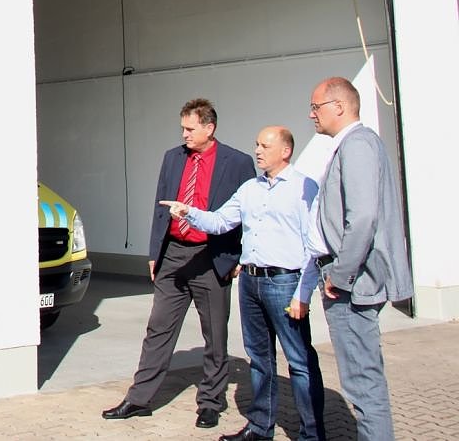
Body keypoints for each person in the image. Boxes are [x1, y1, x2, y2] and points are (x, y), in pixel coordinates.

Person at [162, 127, 325, 441]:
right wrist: (188, 212)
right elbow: (221, 221)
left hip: (284, 282)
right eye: (257, 144)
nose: (258, 151)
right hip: (250, 282)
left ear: (286, 151)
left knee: (300, 362)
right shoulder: (250, 188)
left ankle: (312, 434)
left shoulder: (304, 188)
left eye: (265, 146)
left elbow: (313, 245)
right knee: (260, 359)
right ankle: (260, 428)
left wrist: (303, 293)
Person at [103, 98, 255, 429]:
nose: (184, 134)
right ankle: (139, 399)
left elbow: (250, 214)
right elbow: (160, 208)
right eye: (182, 128)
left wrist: (240, 256)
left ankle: (211, 402)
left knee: (214, 334)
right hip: (173, 254)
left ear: (209, 128)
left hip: (211, 257)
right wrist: (155, 253)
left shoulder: (237, 163)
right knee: (158, 328)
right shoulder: (173, 158)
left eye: (190, 128)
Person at [309, 77, 412, 441]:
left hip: (351, 284)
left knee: (363, 383)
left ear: (339, 106)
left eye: (316, 107)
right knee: (363, 378)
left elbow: (363, 217)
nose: (312, 115)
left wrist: (340, 275)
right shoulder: (355, 144)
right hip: (350, 279)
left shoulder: (357, 144)